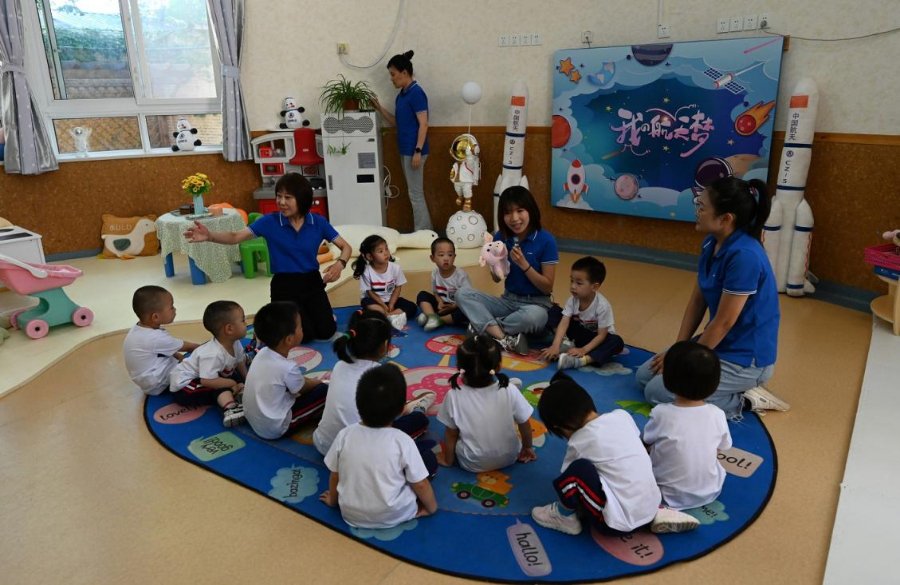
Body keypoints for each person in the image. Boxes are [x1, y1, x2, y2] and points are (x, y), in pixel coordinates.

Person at [636, 177, 789, 420]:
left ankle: (743, 398)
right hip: (719, 344)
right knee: (645, 376)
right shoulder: (712, 243)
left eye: (702, 206)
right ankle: (716, 389)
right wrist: (678, 350)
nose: (697, 211)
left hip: (745, 361)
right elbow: (698, 301)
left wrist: (684, 361)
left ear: (725, 219)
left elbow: (724, 322)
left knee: (657, 393)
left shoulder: (744, 256)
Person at [183, 173, 352, 341]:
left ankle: (318, 317)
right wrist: (210, 236)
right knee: (303, 336)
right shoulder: (270, 221)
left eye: (288, 197)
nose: (281, 202)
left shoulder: (318, 222)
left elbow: (346, 247)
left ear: (302, 199)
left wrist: (340, 264)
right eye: (279, 196)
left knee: (326, 332)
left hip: (312, 281)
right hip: (284, 285)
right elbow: (235, 236)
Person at [531, 373, 700, 536]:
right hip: (651, 505)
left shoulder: (579, 441)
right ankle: (653, 511)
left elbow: (568, 483)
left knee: (577, 473)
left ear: (558, 427)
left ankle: (563, 516)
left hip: (615, 525)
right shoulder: (622, 416)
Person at [320, 364, 439, 529]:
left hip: (350, 513)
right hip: (396, 514)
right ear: (401, 410)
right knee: (428, 458)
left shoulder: (345, 435)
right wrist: (431, 508)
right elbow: (420, 484)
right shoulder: (403, 440)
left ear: (357, 404)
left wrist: (333, 501)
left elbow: (335, 475)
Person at [313, 310, 436, 456]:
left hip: (323, 444)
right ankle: (417, 408)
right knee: (418, 421)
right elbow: (388, 419)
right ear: (385, 345)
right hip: (359, 456)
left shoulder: (339, 365)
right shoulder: (381, 378)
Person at [455, 186, 558, 355]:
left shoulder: (546, 240)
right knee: (462, 294)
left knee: (535, 316)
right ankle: (503, 337)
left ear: (530, 210)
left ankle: (486, 327)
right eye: (508, 212)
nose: (514, 218)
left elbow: (547, 288)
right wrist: (494, 266)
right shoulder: (500, 237)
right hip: (508, 300)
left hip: (536, 304)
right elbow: (497, 279)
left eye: (520, 211)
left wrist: (524, 265)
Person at [643, 341, 733, 510]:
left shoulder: (661, 412)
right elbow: (723, 447)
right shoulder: (717, 414)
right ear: (715, 384)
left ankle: (662, 508)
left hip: (665, 494)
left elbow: (647, 441)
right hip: (710, 491)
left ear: (667, 380)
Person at [436, 335, 536, 472]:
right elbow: (524, 423)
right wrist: (527, 447)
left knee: (459, 422)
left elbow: (451, 433)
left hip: (471, 463)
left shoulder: (453, 395)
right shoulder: (509, 390)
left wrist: (448, 460)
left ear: (459, 367)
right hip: (510, 456)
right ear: (498, 367)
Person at [242, 302, 331, 440]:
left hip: (252, 416)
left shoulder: (262, 353)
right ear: (289, 339)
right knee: (324, 391)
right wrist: (318, 382)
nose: (302, 329)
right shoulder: (287, 367)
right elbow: (303, 388)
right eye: (300, 327)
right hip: (275, 427)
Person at [371, 50, 432, 231]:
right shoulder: (401, 96)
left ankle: (423, 232)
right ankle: (423, 230)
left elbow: (424, 124)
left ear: (404, 73)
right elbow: (398, 123)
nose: (391, 79)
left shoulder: (417, 93)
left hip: (415, 151)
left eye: (393, 74)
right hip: (405, 150)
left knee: (416, 194)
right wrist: (379, 108)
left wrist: (418, 151)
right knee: (413, 194)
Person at [169, 301, 248, 427]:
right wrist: (231, 383)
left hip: (206, 375)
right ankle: (230, 408)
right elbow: (207, 381)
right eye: (243, 320)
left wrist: (246, 378)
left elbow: (239, 362)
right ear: (229, 329)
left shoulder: (235, 343)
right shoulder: (213, 354)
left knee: (232, 374)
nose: (246, 324)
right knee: (220, 385)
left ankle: (241, 390)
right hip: (185, 386)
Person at [539, 256, 625, 370]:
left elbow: (601, 335)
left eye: (579, 283)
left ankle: (582, 360)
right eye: (571, 281)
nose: (573, 286)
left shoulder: (603, 306)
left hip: (596, 339)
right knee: (554, 311)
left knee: (616, 341)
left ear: (594, 286)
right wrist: (555, 345)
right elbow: (564, 322)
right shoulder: (572, 300)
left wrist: (584, 350)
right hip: (578, 334)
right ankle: (565, 343)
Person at [123, 285, 199, 396]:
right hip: (159, 385)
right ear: (155, 317)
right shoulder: (156, 338)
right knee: (199, 365)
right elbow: (191, 347)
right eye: (171, 307)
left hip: (148, 382)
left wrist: (177, 355)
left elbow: (157, 351)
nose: (175, 309)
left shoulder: (138, 329)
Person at [353, 234, 416, 330]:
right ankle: (391, 316)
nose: (386, 253)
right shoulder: (366, 271)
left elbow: (398, 287)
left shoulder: (395, 268)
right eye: (380, 251)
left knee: (412, 307)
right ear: (370, 256)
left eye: (386, 249)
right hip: (376, 301)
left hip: (392, 300)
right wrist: (383, 305)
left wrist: (391, 303)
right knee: (366, 302)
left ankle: (388, 317)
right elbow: (370, 292)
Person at [416, 237, 472, 332]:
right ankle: (431, 316)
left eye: (450, 255)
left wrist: (453, 307)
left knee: (468, 311)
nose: (446, 258)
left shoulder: (461, 275)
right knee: (422, 295)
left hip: (456, 306)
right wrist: (439, 302)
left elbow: (468, 297)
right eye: (441, 255)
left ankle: (438, 319)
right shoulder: (435, 273)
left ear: (454, 257)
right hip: (441, 306)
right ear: (432, 258)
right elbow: (435, 292)